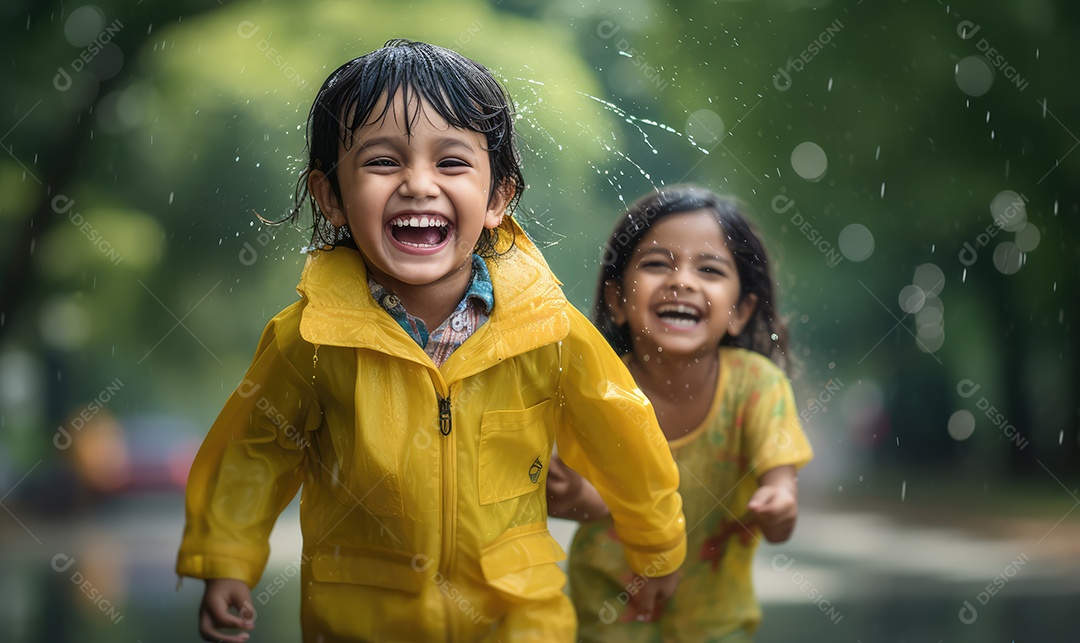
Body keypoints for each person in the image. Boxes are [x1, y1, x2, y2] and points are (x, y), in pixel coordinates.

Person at [175, 39, 686, 643]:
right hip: (365, 619)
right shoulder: (309, 341)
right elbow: (251, 453)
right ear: (331, 197)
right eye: (383, 161)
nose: (419, 185)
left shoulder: (548, 330)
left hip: (517, 616)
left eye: (451, 163)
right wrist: (225, 560)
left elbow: (622, 432)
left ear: (498, 198)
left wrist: (656, 545)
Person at [548, 185, 813, 642]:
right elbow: (572, 501)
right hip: (609, 612)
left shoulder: (756, 386)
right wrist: (575, 494)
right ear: (617, 300)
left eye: (709, 269)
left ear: (740, 311)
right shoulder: (599, 391)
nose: (682, 281)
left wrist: (780, 504)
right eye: (656, 264)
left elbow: (780, 479)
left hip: (716, 622)